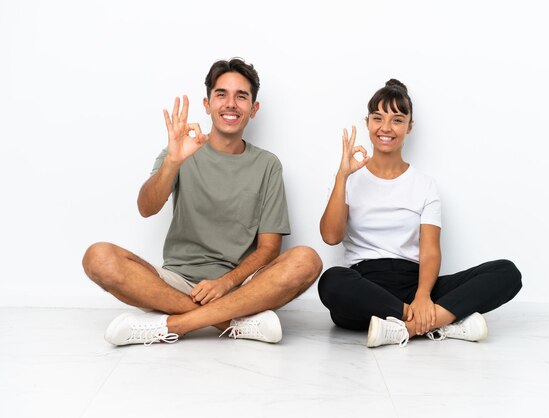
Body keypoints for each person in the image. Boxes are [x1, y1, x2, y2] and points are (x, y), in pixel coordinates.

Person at [83, 58, 322, 346]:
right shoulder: (180, 150)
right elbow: (147, 207)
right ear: (207, 105)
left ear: (253, 109)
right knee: (98, 257)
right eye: (221, 94)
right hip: (175, 282)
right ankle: (232, 322)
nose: (230, 104)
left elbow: (270, 248)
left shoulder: (268, 165)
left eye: (241, 96)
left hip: (241, 287)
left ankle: (175, 324)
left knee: (307, 261)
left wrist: (226, 283)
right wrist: (172, 163)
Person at [318, 79, 522, 348]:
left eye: (397, 120)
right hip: (367, 286)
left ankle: (407, 326)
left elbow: (429, 251)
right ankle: (436, 323)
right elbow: (331, 237)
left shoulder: (424, 185)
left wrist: (424, 295)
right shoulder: (349, 180)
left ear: (409, 127)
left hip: (415, 283)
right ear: (367, 122)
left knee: (506, 272)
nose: (386, 128)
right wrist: (342, 176)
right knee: (332, 281)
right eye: (378, 118)